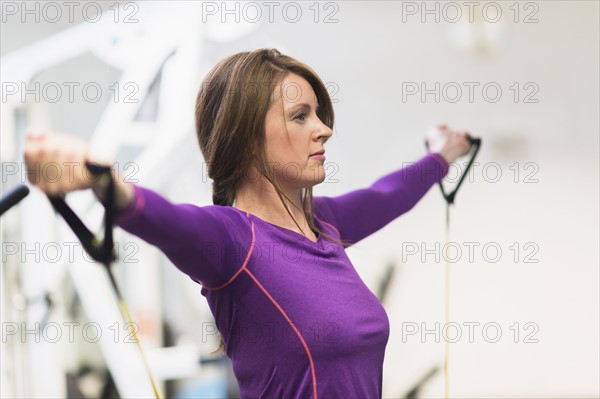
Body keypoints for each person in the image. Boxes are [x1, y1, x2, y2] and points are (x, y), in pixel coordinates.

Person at [24, 48, 472, 398]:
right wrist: (101, 179)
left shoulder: (326, 227)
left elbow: (389, 194)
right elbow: (167, 221)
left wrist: (441, 154)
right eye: (300, 116)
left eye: (318, 114)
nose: (324, 129)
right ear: (247, 137)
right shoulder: (232, 241)